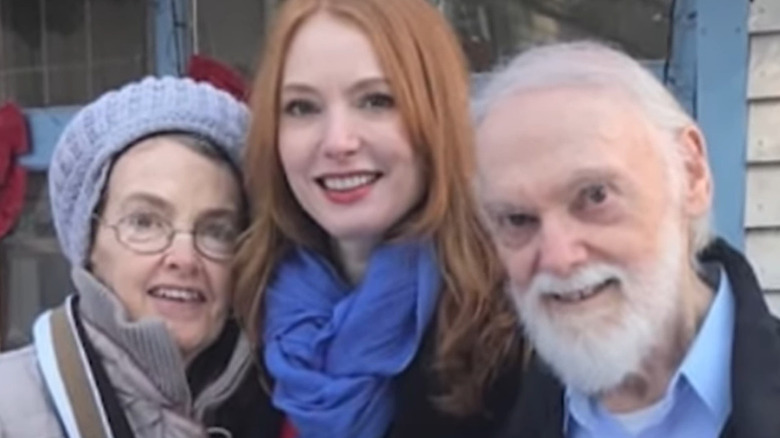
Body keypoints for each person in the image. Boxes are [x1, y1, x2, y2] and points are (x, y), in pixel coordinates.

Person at [233, 0, 525, 437]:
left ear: (436, 117)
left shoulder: (516, 329)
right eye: (302, 108)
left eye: (376, 100)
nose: (337, 142)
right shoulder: (245, 312)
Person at [472, 41, 780, 438]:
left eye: (595, 196)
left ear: (691, 173)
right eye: (517, 219)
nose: (558, 257)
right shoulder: (481, 413)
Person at [0, 77, 276, 437]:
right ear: (89, 246)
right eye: (145, 222)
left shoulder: (286, 410)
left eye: (216, 231)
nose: (184, 258)